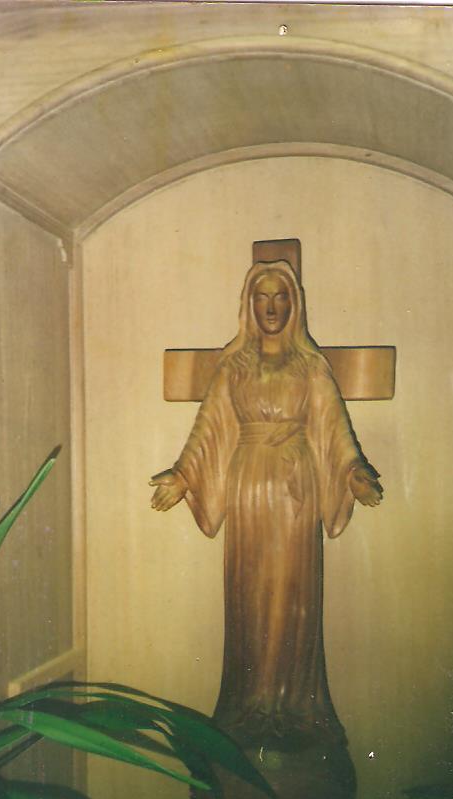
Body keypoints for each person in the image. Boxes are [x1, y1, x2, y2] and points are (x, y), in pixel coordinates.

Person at [150, 260, 382, 745]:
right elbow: (208, 428)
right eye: (262, 297)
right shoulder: (234, 368)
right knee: (251, 591)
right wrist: (184, 475)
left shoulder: (310, 367)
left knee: (293, 594)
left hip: (297, 490)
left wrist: (353, 472)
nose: (272, 307)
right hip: (249, 486)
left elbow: (335, 429)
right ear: (249, 305)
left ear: (294, 304)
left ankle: (293, 704)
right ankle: (251, 702)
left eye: (280, 297)